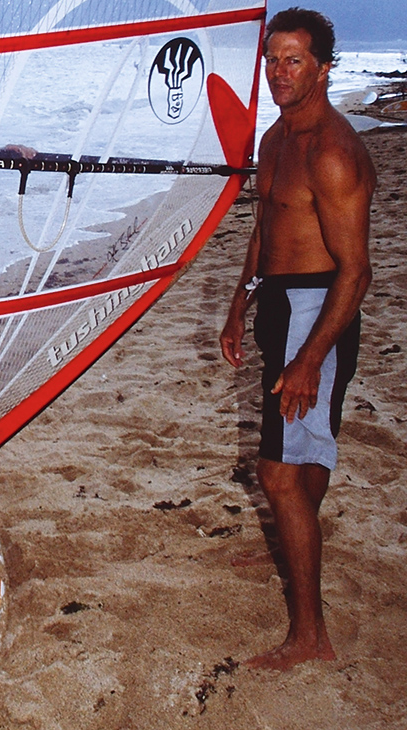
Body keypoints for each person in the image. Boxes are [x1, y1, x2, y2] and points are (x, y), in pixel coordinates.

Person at [219, 8, 375, 671]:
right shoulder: (277, 138)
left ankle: (310, 637)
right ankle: (294, 538)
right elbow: (264, 226)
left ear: (323, 68)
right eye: (273, 59)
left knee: (278, 473)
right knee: (300, 452)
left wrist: (311, 357)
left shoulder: (333, 152)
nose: (280, 73)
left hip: (320, 311)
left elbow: (358, 272)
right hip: (280, 305)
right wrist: (239, 300)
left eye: (294, 61)